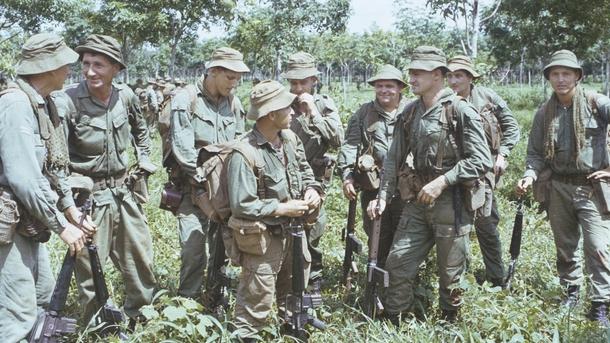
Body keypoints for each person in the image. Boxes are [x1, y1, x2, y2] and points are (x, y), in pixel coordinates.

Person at [368, 46, 492, 322]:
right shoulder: (410, 113)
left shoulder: (460, 111)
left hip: (453, 203)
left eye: (418, 73)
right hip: (418, 201)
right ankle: (396, 319)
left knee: (451, 274)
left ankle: (450, 323)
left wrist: (443, 181)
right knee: (397, 263)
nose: (411, 79)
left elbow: (481, 160)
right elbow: (393, 160)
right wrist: (383, 196)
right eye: (410, 72)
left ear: (438, 75)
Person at [53, 34, 155, 328]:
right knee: (88, 269)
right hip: (88, 200)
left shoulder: (126, 97)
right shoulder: (68, 102)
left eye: (99, 65)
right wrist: (69, 206)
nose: (90, 71)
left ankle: (142, 319)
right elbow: (57, 162)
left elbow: (142, 131)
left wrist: (144, 160)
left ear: (116, 69)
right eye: (86, 64)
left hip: (124, 194)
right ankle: (99, 327)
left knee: (140, 260)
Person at [0, 33, 91, 341]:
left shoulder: (45, 104)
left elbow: (56, 164)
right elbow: (24, 178)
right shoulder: (15, 105)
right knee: (16, 314)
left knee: (42, 299)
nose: (69, 70)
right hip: (9, 224)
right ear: (47, 68)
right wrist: (62, 226)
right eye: (64, 64)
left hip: (29, 220)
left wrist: (71, 210)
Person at [516, 50, 610, 326]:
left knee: (598, 246)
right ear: (548, 78)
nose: (560, 79)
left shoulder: (597, 103)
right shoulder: (544, 112)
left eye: (566, 73)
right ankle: (570, 293)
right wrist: (529, 175)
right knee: (565, 246)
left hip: (592, 187)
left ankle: (600, 304)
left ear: (577, 76)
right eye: (555, 74)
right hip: (558, 187)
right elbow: (534, 152)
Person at [226, 80, 323, 339]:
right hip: (263, 239)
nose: (293, 111)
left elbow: (304, 170)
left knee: (293, 290)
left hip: (294, 232)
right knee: (256, 301)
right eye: (287, 107)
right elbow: (242, 204)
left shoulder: (289, 139)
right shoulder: (244, 153)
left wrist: (312, 189)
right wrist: (282, 208)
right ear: (270, 115)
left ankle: (290, 330)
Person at [167, 47, 249, 302]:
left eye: (238, 78)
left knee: (222, 246)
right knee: (193, 249)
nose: (234, 83)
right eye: (230, 77)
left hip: (223, 192)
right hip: (193, 190)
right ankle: (187, 303)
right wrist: (203, 186)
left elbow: (240, 145)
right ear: (213, 71)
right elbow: (183, 150)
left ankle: (215, 295)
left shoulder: (234, 103)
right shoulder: (186, 100)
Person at [446, 55, 520, 287]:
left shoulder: (488, 98)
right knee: (456, 225)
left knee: (486, 224)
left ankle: (496, 278)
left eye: (459, 75)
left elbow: (511, 126)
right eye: (450, 76)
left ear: (470, 77)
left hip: (482, 171)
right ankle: (459, 278)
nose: (454, 81)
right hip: (453, 171)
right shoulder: (443, 100)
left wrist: (503, 154)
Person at [337, 64, 408, 267]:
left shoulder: (412, 111)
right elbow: (350, 144)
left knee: (405, 238)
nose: (384, 90)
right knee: (378, 236)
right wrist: (347, 175)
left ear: (400, 88)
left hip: (405, 186)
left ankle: (399, 282)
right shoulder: (364, 113)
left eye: (389, 86)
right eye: (379, 86)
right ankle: (377, 278)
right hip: (375, 186)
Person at [283, 51, 343, 288]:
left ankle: (313, 278)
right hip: (283, 178)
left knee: (313, 231)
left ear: (314, 81)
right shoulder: (281, 103)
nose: (298, 88)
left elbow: (338, 139)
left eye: (303, 82)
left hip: (314, 181)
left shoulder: (324, 105)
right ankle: (286, 280)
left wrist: (314, 114)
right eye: (293, 82)